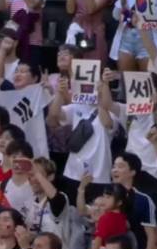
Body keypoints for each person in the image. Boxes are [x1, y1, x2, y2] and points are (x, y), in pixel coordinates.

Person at [47, 63, 118, 203]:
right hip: (72, 173)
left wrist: (100, 96)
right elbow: (54, 116)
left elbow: (107, 123)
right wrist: (60, 94)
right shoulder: (77, 107)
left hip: (99, 176)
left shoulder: (112, 112)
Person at [108, 153, 157, 249]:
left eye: (120, 167)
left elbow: (151, 236)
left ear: (132, 172)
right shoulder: (105, 196)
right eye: (114, 166)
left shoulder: (143, 200)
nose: (115, 170)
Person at [111, 0, 155, 72]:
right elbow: (116, 15)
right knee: (126, 81)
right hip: (127, 39)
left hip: (147, 40)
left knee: (147, 82)